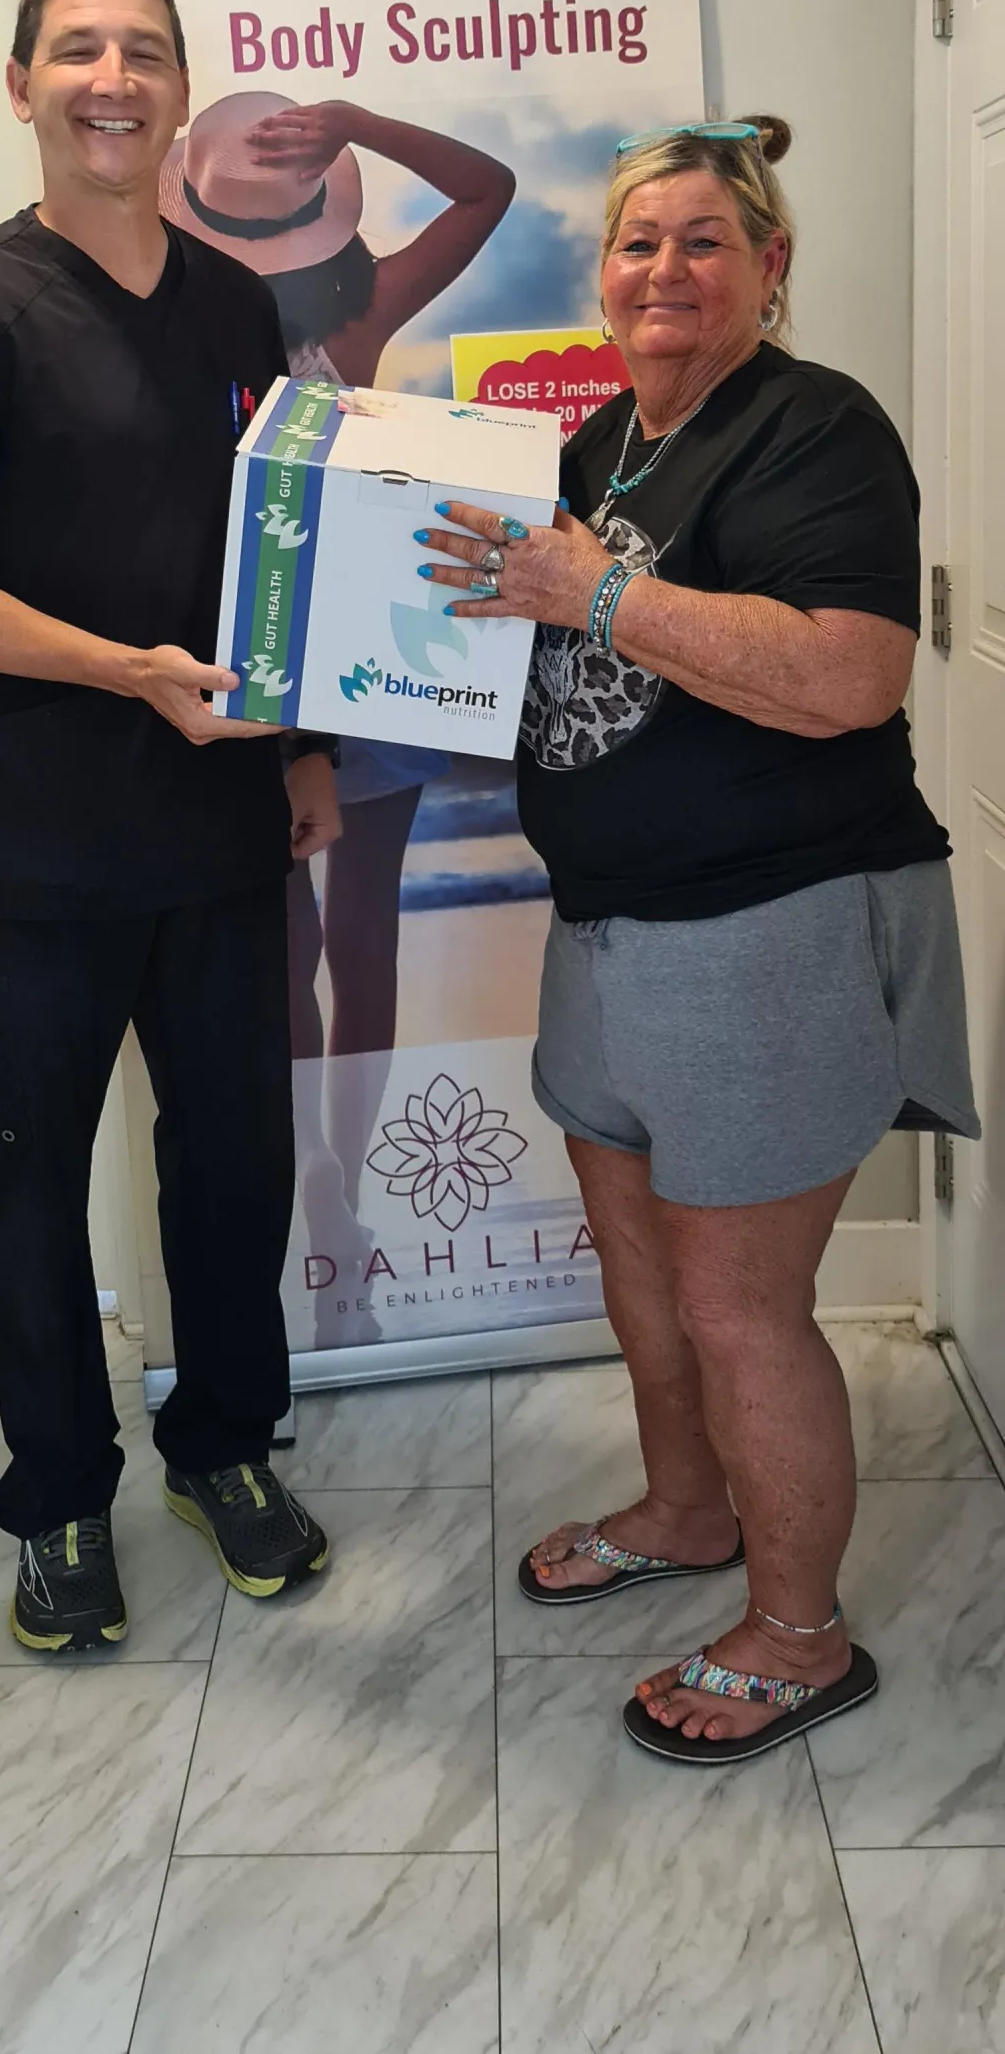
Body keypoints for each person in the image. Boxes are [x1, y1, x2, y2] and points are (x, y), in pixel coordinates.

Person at [413, 115, 979, 1765]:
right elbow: (525, 638)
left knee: (739, 1305)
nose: (664, 267)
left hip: (774, 923)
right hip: (605, 928)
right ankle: (686, 1509)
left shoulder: (815, 426)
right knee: (642, 1268)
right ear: (602, 274)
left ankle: (801, 1636)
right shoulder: (596, 447)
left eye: (704, 238)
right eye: (637, 240)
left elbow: (851, 675)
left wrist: (592, 592)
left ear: (770, 265)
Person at [0, 0, 341, 1652]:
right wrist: (124, 670)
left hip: (219, 837)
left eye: (143, 50)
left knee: (234, 1167)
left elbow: (271, 549)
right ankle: (60, 1494)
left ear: (183, 89)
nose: (111, 80)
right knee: (32, 1189)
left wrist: (302, 746)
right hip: (35, 851)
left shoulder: (236, 306)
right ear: (22, 86)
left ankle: (224, 1445)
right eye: (76, 49)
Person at [162, 93, 515, 1332]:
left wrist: (355, 117)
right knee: (345, 950)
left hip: (296, 668)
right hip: (303, 672)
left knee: (313, 953)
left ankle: (326, 1193)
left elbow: (488, 189)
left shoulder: (238, 330)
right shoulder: (329, 323)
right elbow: (487, 192)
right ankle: (335, 1208)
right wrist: (358, 123)